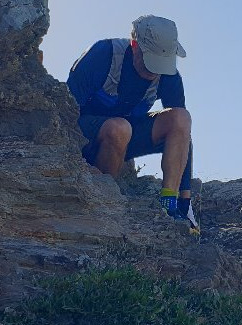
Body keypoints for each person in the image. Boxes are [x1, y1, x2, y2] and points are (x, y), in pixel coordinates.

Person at [67, 15, 198, 230]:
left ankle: (169, 204)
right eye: (150, 62)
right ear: (134, 45)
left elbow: (183, 134)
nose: (155, 71)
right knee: (119, 127)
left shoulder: (168, 75)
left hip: (126, 137)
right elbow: (66, 114)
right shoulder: (102, 55)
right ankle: (103, 197)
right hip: (86, 134)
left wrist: (185, 199)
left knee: (181, 117)